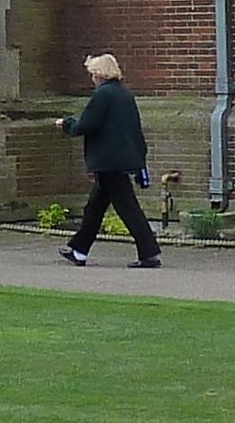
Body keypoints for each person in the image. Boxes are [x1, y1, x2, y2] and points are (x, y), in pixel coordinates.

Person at [56, 52, 160, 269]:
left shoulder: (102, 95)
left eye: (93, 73)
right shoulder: (125, 94)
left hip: (108, 161)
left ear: (99, 74)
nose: (92, 78)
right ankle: (79, 250)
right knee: (95, 208)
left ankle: (149, 253)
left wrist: (66, 124)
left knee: (128, 209)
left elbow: (87, 124)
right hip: (121, 159)